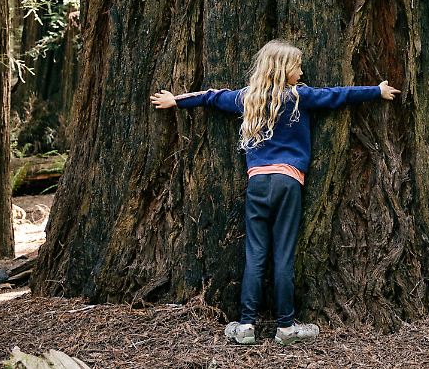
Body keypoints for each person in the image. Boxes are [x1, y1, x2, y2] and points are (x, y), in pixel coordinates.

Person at [150, 39, 400, 345]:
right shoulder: (299, 97)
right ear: (283, 70)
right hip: (288, 182)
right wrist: (377, 90)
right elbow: (338, 95)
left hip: (258, 183)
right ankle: (285, 327)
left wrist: (177, 100)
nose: (302, 70)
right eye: (297, 65)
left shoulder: (248, 98)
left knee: (255, 254)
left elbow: (212, 97)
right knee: (283, 254)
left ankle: (245, 326)